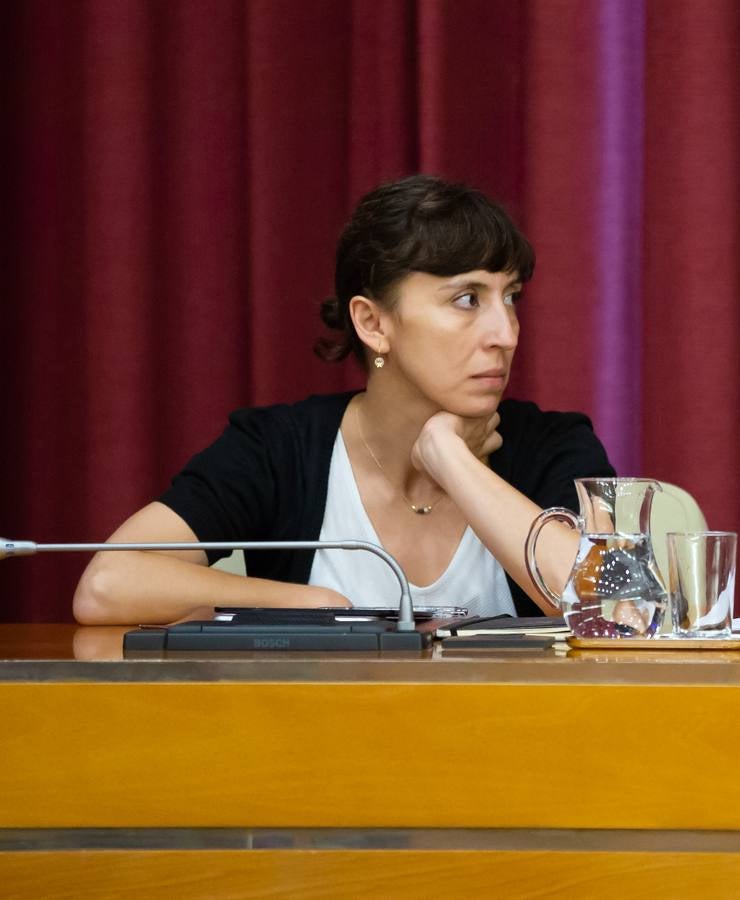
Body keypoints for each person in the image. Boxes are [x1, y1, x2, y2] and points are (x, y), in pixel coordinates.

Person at [73, 175, 615, 625]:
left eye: (511, 297)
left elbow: (608, 609)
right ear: (373, 323)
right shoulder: (280, 448)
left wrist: (449, 459)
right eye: (468, 299)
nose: (506, 332)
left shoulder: (553, 445)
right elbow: (109, 584)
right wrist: (312, 605)